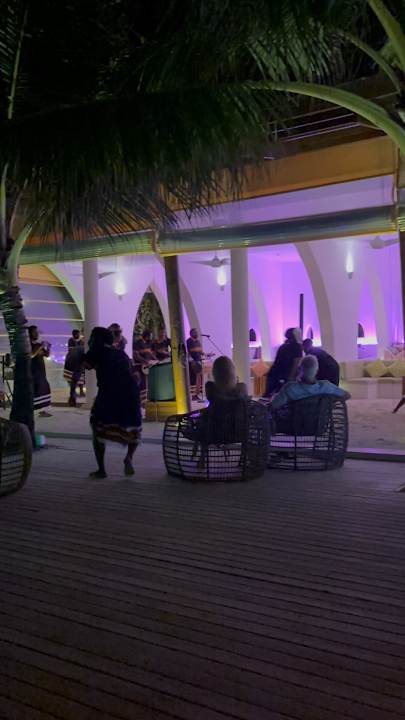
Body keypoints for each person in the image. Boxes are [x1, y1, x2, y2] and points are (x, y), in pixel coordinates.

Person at [83, 327, 142, 478]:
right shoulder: (121, 353)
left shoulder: (97, 351)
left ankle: (101, 470)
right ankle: (129, 457)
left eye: (91, 338)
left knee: (97, 426)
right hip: (130, 393)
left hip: (110, 393)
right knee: (133, 428)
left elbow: (86, 365)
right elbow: (133, 373)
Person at [270, 354, 350, 410]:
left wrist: (274, 396)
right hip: (320, 425)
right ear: (317, 370)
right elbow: (347, 395)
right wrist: (329, 402)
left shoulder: (290, 388)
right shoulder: (326, 386)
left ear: (299, 369)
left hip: (294, 426)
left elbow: (273, 405)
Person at [264, 327, 303, 397]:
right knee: (284, 396)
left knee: (269, 395)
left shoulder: (283, 346)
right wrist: (291, 377)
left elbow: (277, 362)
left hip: (274, 374)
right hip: (284, 375)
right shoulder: (297, 347)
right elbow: (295, 364)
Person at [29, 325, 52, 417]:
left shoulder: (38, 345)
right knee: (36, 391)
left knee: (44, 390)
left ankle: (43, 411)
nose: (37, 334)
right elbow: (31, 355)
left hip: (41, 372)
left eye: (37, 332)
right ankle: (34, 411)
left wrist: (48, 347)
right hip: (33, 372)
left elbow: (47, 355)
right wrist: (41, 346)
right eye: (35, 332)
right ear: (30, 333)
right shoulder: (28, 345)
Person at [133, 329, 157, 406]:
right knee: (142, 385)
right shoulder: (138, 343)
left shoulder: (149, 343)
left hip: (147, 366)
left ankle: (146, 401)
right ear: (146, 336)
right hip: (140, 366)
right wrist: (145, 361)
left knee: (147, 384)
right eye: (150, 336)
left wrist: (156, 360)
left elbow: (151, 353)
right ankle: (140, 403)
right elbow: (135, 355)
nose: (151, 338)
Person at [64, 329, 85, 405]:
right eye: (77, 334)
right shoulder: (71, 340)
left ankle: (80, 391)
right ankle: (73, 395)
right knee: (73, 378)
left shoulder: (81, 341)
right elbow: (72, 349)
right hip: (73, 361)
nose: (78, 335)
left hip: (79, 361)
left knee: (80, 377)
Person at [187, 328, 204, 401]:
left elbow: (201, 351)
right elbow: (189, 351)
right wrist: (196, 350)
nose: (197, 334)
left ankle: (197, 394)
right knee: (197, 376)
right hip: (192, 362)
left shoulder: (198, 341)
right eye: (196, 332)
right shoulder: (188, 341)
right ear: (192, 333)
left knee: (199, 377)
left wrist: (207, 354)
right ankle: (195, 394)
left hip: (199, 360)